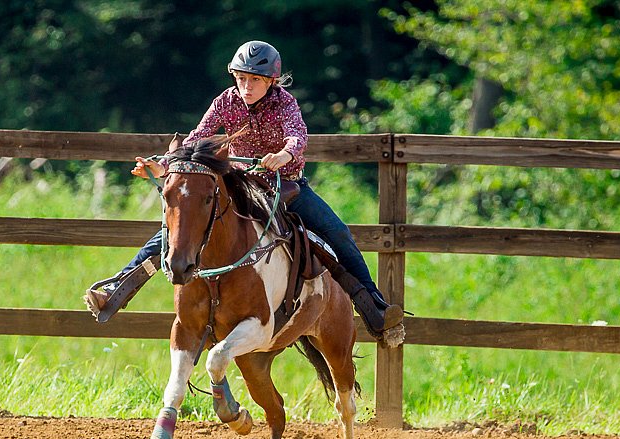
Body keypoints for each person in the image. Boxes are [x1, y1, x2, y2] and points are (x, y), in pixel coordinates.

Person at [84, 40, 403, 340]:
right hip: (240, 188)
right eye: (241, 79)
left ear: (272, 81)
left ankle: (373, 306)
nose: (246, 87)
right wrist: (165, 167)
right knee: (176, 232)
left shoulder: (286, 104)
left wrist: (284, 155)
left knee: (338, 234)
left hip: (287, 187)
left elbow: (298, 136)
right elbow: (195, 139)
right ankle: (116, 289)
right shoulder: (226, 101)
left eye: (254, 80)